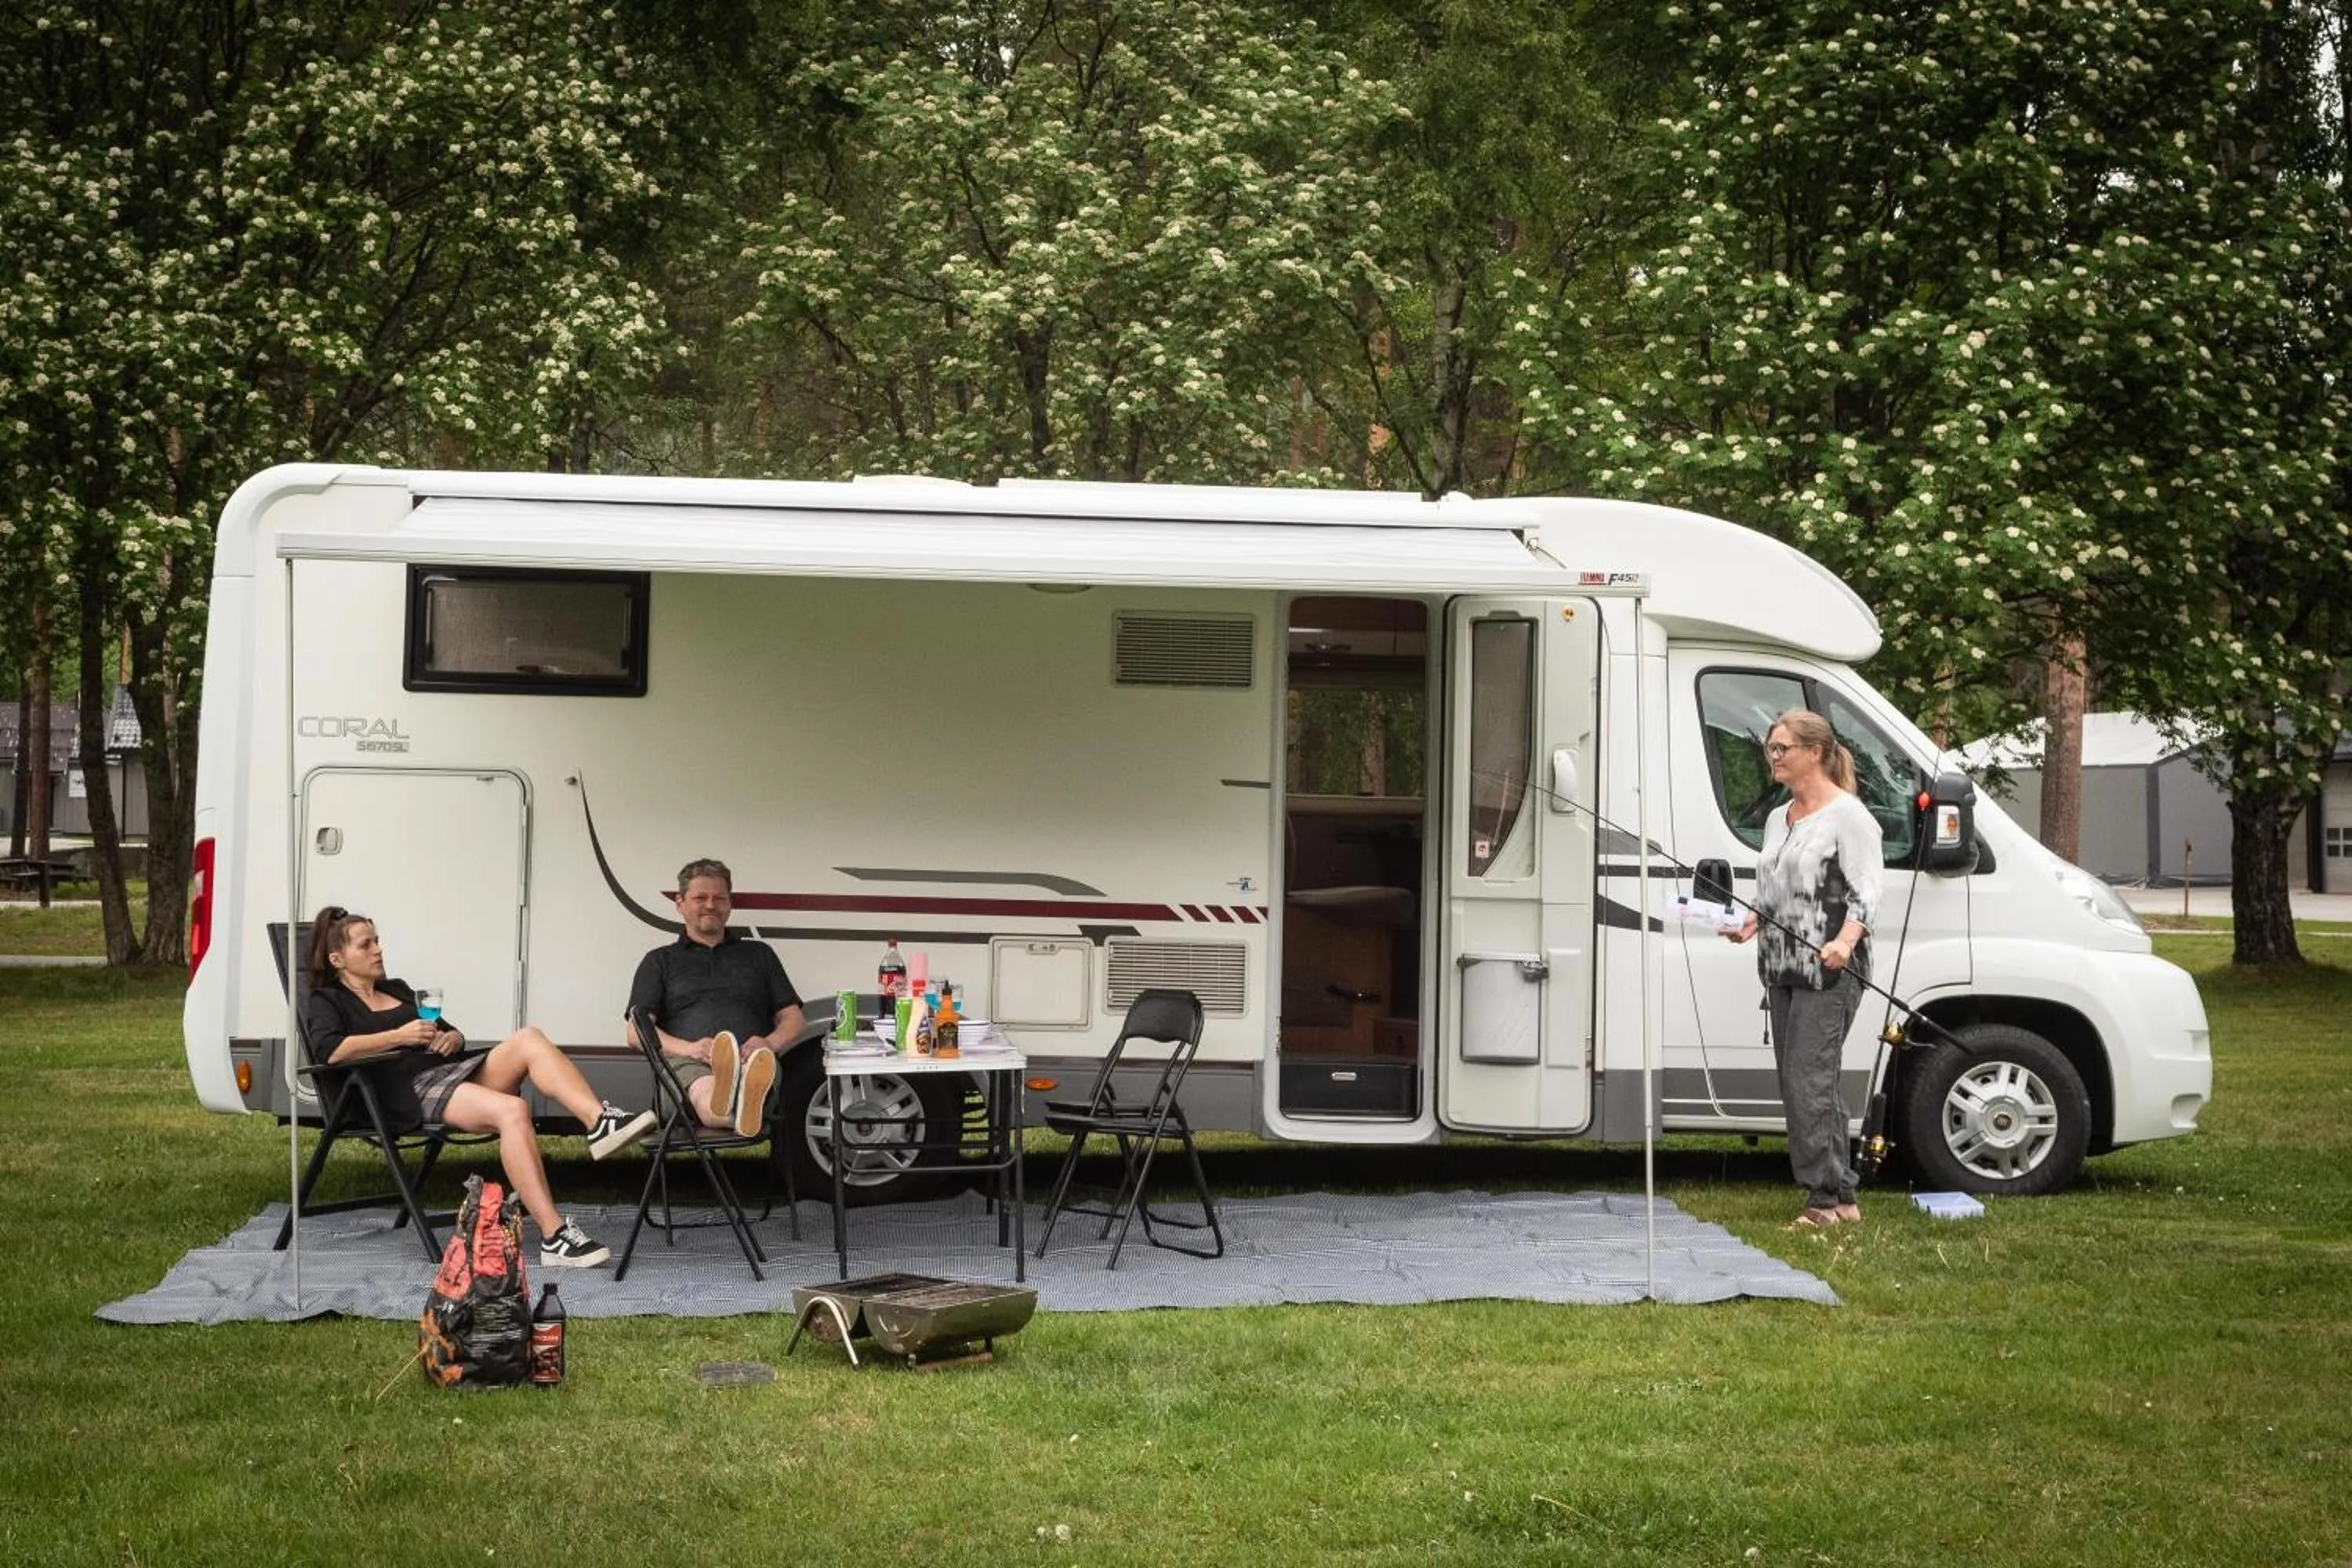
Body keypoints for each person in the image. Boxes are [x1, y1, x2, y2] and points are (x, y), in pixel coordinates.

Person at [302, 906, 657, 1269]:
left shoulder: (398, 989)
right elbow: (328, 1050)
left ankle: (599, 1122)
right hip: (403, 1089)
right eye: (366, 945)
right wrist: (398, 1036)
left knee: (529, 1039)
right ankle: (555, 1235)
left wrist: (451, 1038)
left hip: (448, 1071)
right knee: (512, 1110)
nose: (378, 949)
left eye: (377, 941)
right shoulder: (327, 1001)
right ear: (337, 959)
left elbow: (449, 1031)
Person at [1722, 709, 1883, 1229]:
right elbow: (1774, 885)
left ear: (1814, 753)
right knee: (1808, 1081)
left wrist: (1844, 939)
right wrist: (1753, 920)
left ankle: (1821, 1203)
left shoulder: (1849, 816)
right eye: (1770, 748)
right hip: (1781, 963)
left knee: (1807, 1078)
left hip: (1830, 967)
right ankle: (1843, 1196)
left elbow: (1867, 890)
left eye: (1781, 748)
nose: (1773, 757)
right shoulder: (1779, 818)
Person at [626, 858, 806, 1139]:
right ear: (680, 903)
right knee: (704, 1087)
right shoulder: (659, 961)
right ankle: (740, 1111)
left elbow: (794, 1019)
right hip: (686, 1065)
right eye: (700, 898)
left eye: (719, 898)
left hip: (753, 1063)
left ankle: (741, 1096)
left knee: (756, 1071)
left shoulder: (759, 955)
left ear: (729, 904)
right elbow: (637, 1033)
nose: (711, 905)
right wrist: (691, 1049)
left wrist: (768, 1043)